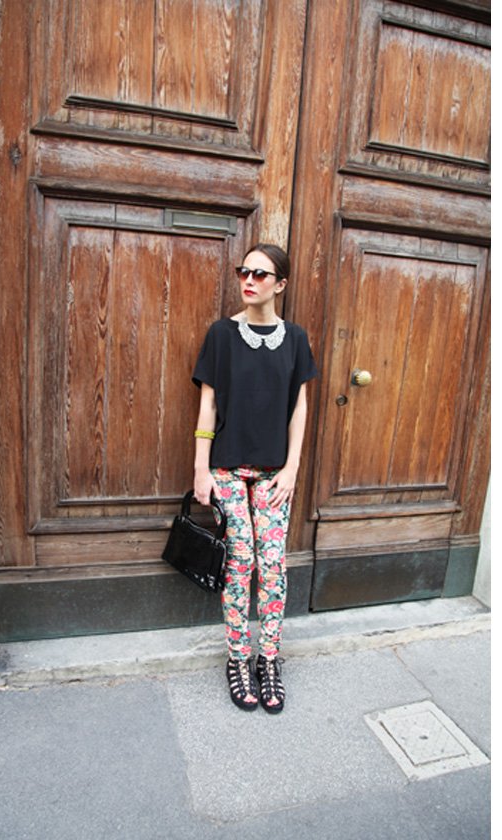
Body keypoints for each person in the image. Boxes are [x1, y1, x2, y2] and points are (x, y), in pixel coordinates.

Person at [191, 243, 318, 714]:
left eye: (261, 274)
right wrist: (201, 467)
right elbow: (208, 403)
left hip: (273, 473)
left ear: (280, 284)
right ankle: (238, 659)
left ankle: (269, 658)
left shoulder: (296, 339)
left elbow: (299, 407)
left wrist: (293, 468)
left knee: (273, 566)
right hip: (226, 468)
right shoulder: (221, 335)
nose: (249, 280)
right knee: (240, 562)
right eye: (244, 271)